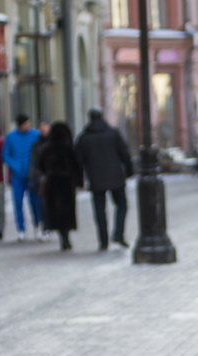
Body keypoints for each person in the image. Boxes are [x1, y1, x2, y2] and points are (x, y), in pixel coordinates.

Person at [76, 108, 133, 250]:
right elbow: (124, 153)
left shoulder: (84, 137)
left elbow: (78, 161)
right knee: (122, 205)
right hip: (116, 177)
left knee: (99, 211)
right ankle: (118, 233)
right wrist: (129, 170)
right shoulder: (113, 134)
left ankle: (103, 241)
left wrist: (79, 181)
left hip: (96, 179)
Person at [36, 122, 83, 251]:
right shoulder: (69, 148)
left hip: (52, 183)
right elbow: (77, 166)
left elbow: (40, 166)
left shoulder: (46, 148)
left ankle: (63, 236)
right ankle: (66, 236)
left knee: (56, 210)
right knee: (67, 210)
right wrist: (79, 181)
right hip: (67, 183)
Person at [2, 113, 42, 241]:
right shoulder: (11, 137)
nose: (27, 126)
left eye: (28, 123)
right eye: (25, 124)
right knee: (18, 203)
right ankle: (21, 229)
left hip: (33, 175)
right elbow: (5, 155)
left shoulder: (36, 135)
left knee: (35, 202)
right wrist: (15, 166)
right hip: (17, 176)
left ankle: (38, 226)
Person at [29, 120, 51, 237]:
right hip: (41, 179)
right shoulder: (36, 144)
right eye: (41, 127)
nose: (43, 130)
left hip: (55, 178)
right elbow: (34, 162)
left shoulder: (56, 143)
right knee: (42, 204)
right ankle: (45, 227)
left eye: (45, 127)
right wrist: (36, 176)